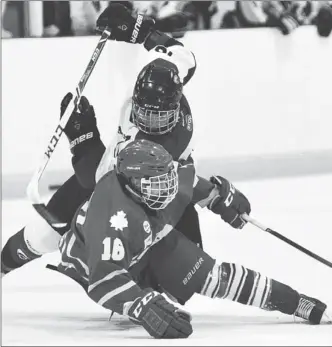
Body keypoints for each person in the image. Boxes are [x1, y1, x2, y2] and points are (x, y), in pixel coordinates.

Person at [1, 3, 215, 276]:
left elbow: (99, 181)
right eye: (143, 112)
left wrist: (82, 136)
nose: (149, 121)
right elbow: (183, 55)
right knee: (40, 235)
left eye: (158, 117)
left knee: (183, 270)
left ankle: (142, 286)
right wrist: (137, 28)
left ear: (174, 108)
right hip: (120, 179)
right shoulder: (168, 74)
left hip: (143, 201)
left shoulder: (152, 148)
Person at [54, 138, 332, 339]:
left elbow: (189, 183)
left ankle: (294, 301)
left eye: (167, 181)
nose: (166, 190)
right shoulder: (111, 215)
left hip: (148, 238)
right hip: (101, 260)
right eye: (157, 185)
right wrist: (142, 305)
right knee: (133, 288)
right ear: (132, 186)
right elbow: (103, 279)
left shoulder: (152, 179)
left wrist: (219, 197)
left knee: (213, 277)